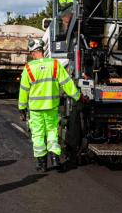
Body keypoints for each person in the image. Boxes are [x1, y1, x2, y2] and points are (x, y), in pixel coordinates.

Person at [18, 39, 81, 171]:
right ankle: (55, 158)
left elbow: (24, 90)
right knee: (52, 132)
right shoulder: (55, 65)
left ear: (33, 53)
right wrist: (78, 96)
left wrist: (22, 108)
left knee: (38, 134)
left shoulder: (28, 68)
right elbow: (67, 83)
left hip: (36, 109)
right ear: (42, 50)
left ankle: (42, 164)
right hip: (52, 106)